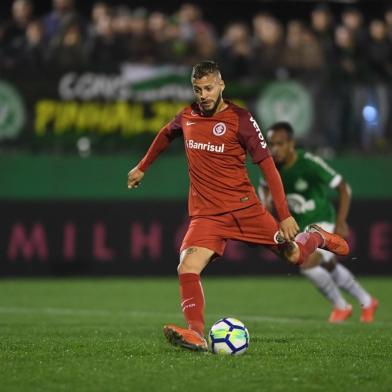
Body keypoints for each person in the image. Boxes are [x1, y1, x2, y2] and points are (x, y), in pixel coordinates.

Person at [127, 61, 349, 352]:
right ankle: (196, 333)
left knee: (295, 256)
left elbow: (269, 168)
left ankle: (316, 236)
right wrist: (143, 167)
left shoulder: (241, 120)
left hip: (246, 211)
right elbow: (166, 134)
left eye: (208, 88)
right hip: (206, 215)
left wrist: (284, 215)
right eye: (197, 89)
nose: (203, 95)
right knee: (187, 266)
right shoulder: (187, 116)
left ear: (221, 86)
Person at [259, 121, 378, 323]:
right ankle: (367, 301)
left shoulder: (308, 162)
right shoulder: (271, 167)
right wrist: (266, 204)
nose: (274, 149)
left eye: (279, 144)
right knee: (329, 265)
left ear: (291, 144)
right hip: (300, 226)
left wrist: (341, 221)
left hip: (322, 222)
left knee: (306, 263)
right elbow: (264, 188)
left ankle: (341, 307)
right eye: (271, 144)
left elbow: (342, 187)